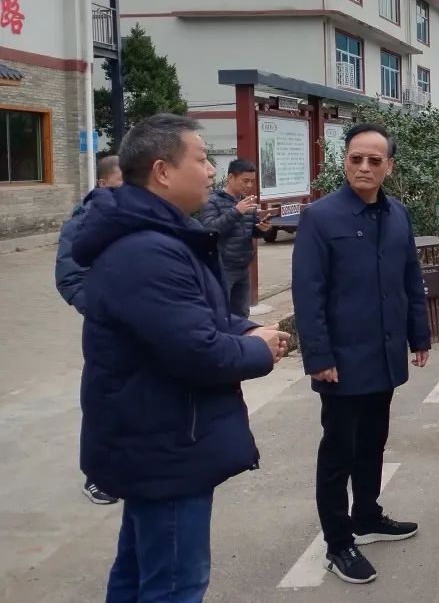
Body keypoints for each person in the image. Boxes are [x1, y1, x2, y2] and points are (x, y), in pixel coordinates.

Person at [72, 114, 289, 603]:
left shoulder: (161, 237)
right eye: (202, 159)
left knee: (139, 573)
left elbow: (194, 316)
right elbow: (196, 350)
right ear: (162, 171)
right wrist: (257, 349)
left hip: (156, 438)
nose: (211, 171)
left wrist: (245, 328)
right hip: (165, 442)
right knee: (174, 585)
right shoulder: (147, 251)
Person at [292, 122, 432, 586]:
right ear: (345, 162)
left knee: (373, 441)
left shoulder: (398, 215)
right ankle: (338, 543)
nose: (365, 167)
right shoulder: (321, 217)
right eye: (356, 159)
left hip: (384, 354)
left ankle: (367, 516)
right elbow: (308, 295)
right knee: (339, 452)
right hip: (341, 360)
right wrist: (319, 357)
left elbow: (410, 279)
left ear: (389, 166)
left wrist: (419, 336)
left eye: (375, 160)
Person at [54, 154, 124, 505]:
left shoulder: (133, 217)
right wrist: (100, 310)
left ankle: (126, 465)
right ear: (103, 182)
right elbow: (69, 277)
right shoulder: (83, 222)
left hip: (138, 325)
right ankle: (96, 476)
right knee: (102, 400)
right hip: (106, 329)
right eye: (121, 182)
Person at [198, 158, 271, 317]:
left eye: (252, 181)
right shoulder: (212, 201)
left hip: (243, 266)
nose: (249, 185)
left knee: (242, 313)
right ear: (231, 177)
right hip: (222, 266)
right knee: (221, 313)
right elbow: (210, 230)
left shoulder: (245, 202)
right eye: (245, 181)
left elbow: (250, 230)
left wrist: (262, 229)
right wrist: (237, 211)